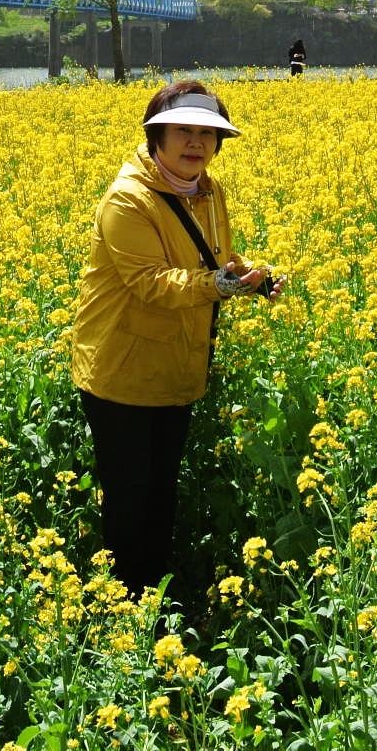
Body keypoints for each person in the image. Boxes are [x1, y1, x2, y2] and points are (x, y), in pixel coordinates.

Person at [70, 81, 280, 598]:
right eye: (183, 130)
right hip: (122, 369)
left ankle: (155, 596)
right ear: (157, 136)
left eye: (207, 134)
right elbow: (151, 282)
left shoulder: (207, 191)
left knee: (161, 487)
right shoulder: (128, 199)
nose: (196, 143)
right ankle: (124, 602)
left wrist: (248, 278)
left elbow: (211, 260)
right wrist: (220, 285)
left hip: (177, 363)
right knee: (129, 494)